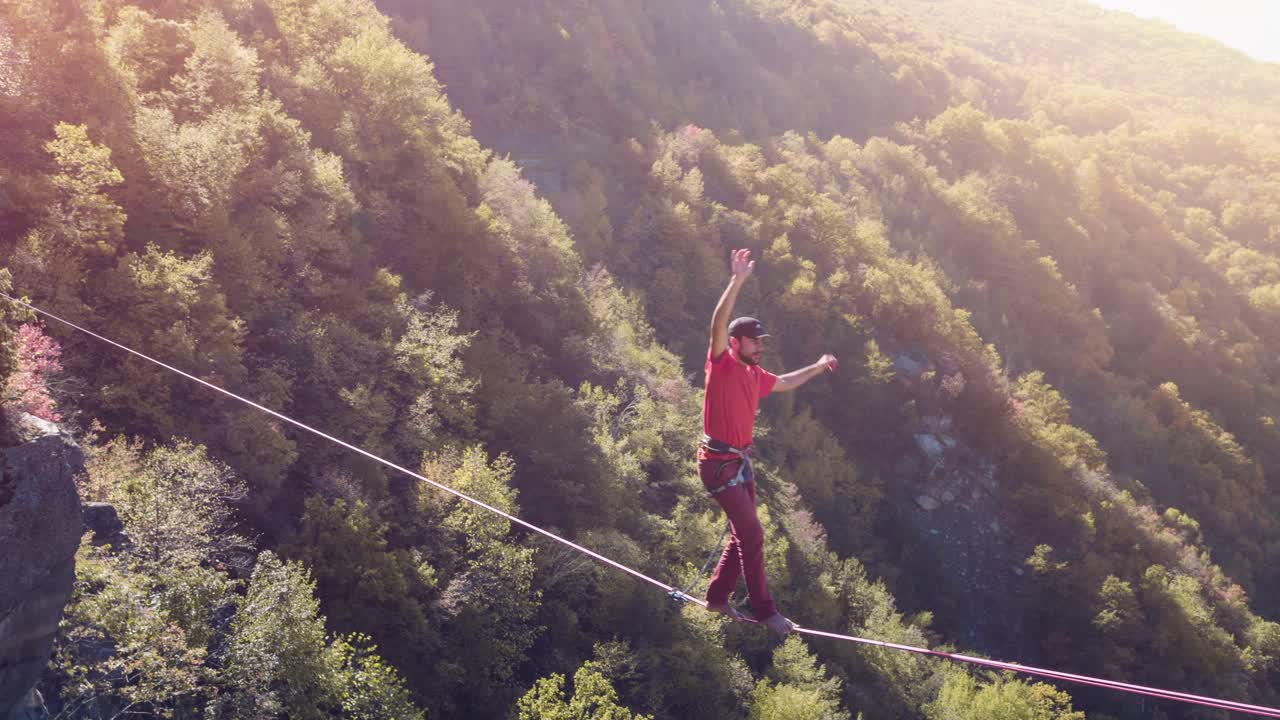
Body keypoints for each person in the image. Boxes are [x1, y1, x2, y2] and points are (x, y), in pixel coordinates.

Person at [700, 248, 837, 636]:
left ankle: (717, 598)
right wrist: (737, 280)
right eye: (753, 342)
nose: (760, 347)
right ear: (735, 343)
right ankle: (765, 611)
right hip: (718, 465)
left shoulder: (753, 374)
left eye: (761, 341)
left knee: (743, 533)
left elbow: (787, 381)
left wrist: (818, 366)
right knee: (752, 535)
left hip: (737, 463)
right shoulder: (722, 365)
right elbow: (717, 324)